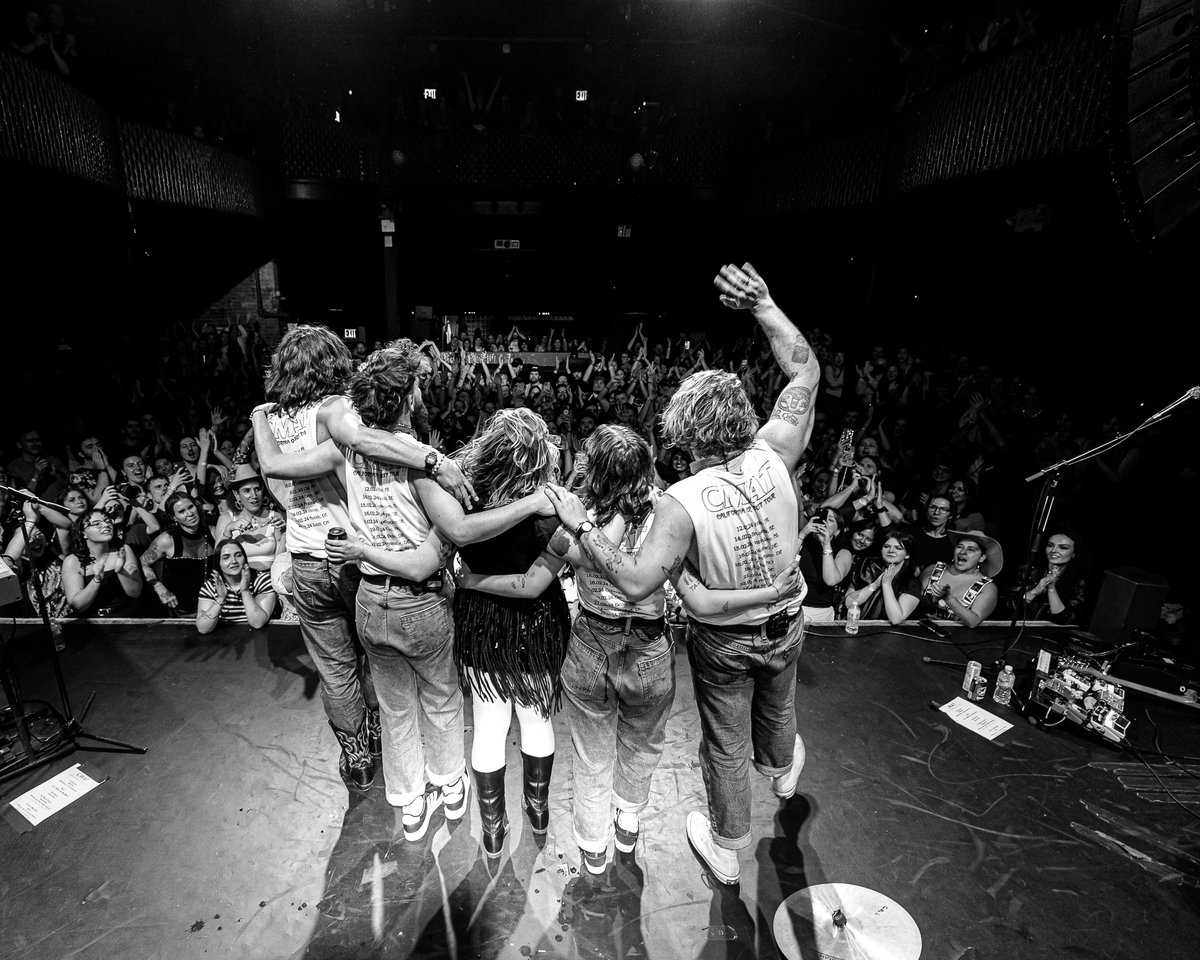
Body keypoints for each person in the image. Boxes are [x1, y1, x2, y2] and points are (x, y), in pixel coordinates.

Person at [543, 262, 819, 886]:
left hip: (725, 640)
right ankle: (780, 767)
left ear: (684, 431)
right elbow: (805, 369)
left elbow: (637, 581)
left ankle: (727, 845)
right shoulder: (780, 447)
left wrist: (582, 525)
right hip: (788, 621)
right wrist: (764, 304)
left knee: (723, 743)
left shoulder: (682, 500)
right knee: (779, 704)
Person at [457, 424, 802, 874]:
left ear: (591, 468)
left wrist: (470, 579)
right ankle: (628, 820)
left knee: (590, 751)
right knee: (641, 746)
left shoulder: (569, 519)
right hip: (650, 649)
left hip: (591, 647)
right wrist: (769, 593)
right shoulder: (673, 517)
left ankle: (593, 848)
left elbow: (548, 571)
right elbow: (697, 600)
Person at [252, 341, 553, 842]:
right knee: (440, 699)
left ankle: (409, 804)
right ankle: (449, 786)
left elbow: (276, 467)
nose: (422, 391)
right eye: (416, 386)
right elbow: (456, 532)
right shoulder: (418, 464)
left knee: (393, 709)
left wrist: (261, 417)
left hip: (371, 601)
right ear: (406, 397)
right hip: (422, 601)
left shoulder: (344, 452)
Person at [250, 324, 477, 796]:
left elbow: (271, 471)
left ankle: (357, 757)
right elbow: (367, 443)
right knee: (377, 656)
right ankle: (387, 741)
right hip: (348, 554)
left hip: (305, 557)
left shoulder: (271, 420)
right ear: (331, 361)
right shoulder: (335, 410)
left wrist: (256, 417)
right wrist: (435, 461)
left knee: (335, 667)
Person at [139, 492, 215, 616]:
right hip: (184, 612)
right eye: (182, 511)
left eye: (191, 507)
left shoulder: (211, 531)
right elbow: (143, 562)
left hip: (215, 608)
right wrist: (159, 588)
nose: (189, 514)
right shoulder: (167, 539)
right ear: (174, 517)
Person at [61, 510, 143, 617]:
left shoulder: (123, 550)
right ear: (83, 533)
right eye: (96, 524)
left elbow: (135, 593)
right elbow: (77, 606)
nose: (106, 525)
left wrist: (120, 571)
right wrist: (97, 580)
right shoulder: (72, 561)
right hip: (94, 622)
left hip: (126, 615)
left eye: (107, 521)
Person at [919, 529, 1003, 627]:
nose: (963, 552)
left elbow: (973, 622)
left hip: (956, 639)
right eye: (960, 547)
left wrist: (949, 598)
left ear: (982, 558)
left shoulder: (987, 587)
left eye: (971, 549)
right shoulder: (933, 569)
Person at [195, 539, 277, 633]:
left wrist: (245, 591)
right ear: (218, 563)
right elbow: (203, 629)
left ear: (245, 558)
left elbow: (258, 623)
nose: (233, 561)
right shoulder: (211, 586)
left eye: (238, 555)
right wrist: (221, 598)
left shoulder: (261, 580)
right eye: (226, 557)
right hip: (223, 639)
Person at [843, 530, 922, 624]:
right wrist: (875, 585)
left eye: (898, 548)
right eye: (886, 546)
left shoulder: (912, 583)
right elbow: (848, 603)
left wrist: (886, 584)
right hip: (857, 627)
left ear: (907, 555)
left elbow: (896, 619)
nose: (891, 550)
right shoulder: (866, 568)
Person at [1019, 529, 1088, 623]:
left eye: (1063, 547)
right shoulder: (1027, 572)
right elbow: (1011, 608)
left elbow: (1065, 619)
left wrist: (1051, 589)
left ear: (1074, 554)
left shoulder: (1079, 583)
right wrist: (1034, 591)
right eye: (1050, 545)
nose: (1053, 550)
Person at [907, 493, 956, 570]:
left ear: (950, 515)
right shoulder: (911, 532)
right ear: (926, 511)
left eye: (943, 509)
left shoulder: (951, 543)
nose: (936, 512)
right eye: (933, 507)